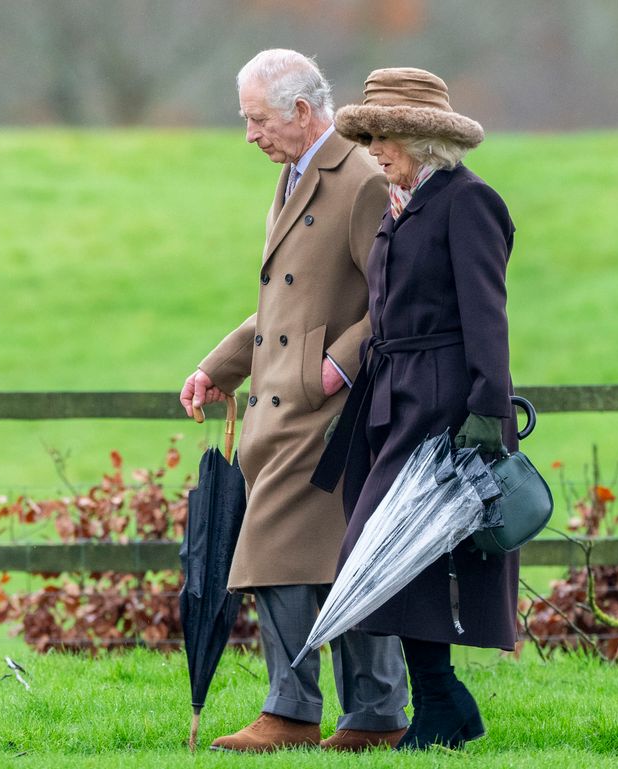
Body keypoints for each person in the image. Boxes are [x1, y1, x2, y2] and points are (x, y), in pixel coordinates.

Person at [179, 49, 408, 753]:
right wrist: (221, 366)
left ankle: (297, 710)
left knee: (283, 545)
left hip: (328, 412)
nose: (249, 133)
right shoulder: (293, 176)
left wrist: (336, 366)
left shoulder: (359, 178)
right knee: (328, 555)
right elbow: (280, 306)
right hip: (283, 407)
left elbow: (395, 296)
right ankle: (371, 713)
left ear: (302, 112)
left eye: (256, 119)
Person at [312, 67, 520, 751]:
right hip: (390, 399)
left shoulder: (469, 203)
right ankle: (446, 702)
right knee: (384, 552)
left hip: (442, 404)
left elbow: (487, 317)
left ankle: (439, 703)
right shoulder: (403, 205)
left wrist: (486, 415)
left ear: (423, 138)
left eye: (385, 136)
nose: (375, 148)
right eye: (369, 134)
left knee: (413, 554)